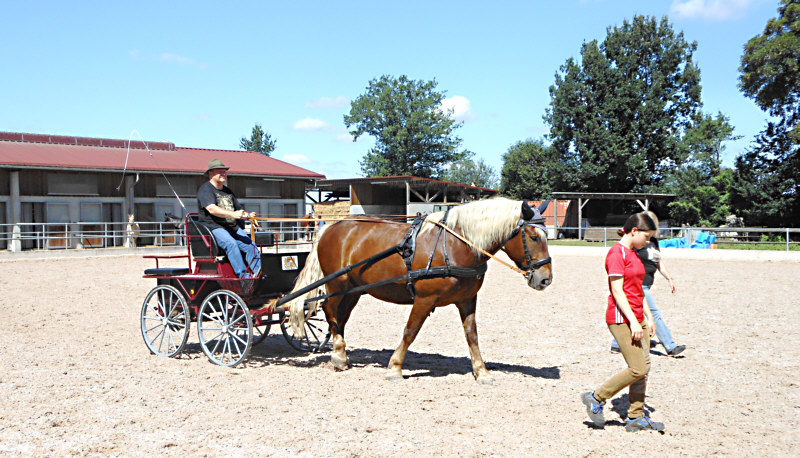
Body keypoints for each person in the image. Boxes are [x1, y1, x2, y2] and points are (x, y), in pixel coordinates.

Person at [582, 212, 666, 432]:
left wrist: (647, 316)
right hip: (622, 318)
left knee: (644, 368)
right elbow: (618, 292)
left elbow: (638, 289)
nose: (648, 242)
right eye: (646, 237)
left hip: (638, 316)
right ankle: (596, 397)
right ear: (634, 231)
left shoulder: (634, 253)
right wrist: (634, 322)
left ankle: (635, 417)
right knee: (637, 368)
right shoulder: (616, 254)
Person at [611, 211, 685, 356]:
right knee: (654, 313)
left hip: (646, 284)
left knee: (634, 312)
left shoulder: (653, 243)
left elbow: (659, 262)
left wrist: (669, 278)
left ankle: (616, 344)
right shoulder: (637, 243)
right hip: (639, 285)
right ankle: (670, 346)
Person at [196, 158, 261, 279]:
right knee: (231, 244)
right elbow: (212, 209)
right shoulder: (205, 190)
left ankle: (259, 274)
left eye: (224, 171)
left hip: (232, 227)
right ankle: (243, 277)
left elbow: (238, 210)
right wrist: (233, 214)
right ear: (210, 173)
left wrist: (248, 215)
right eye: (219, 171)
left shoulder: (228, 191)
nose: (223, 174)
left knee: (251, 246)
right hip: (214, 227)